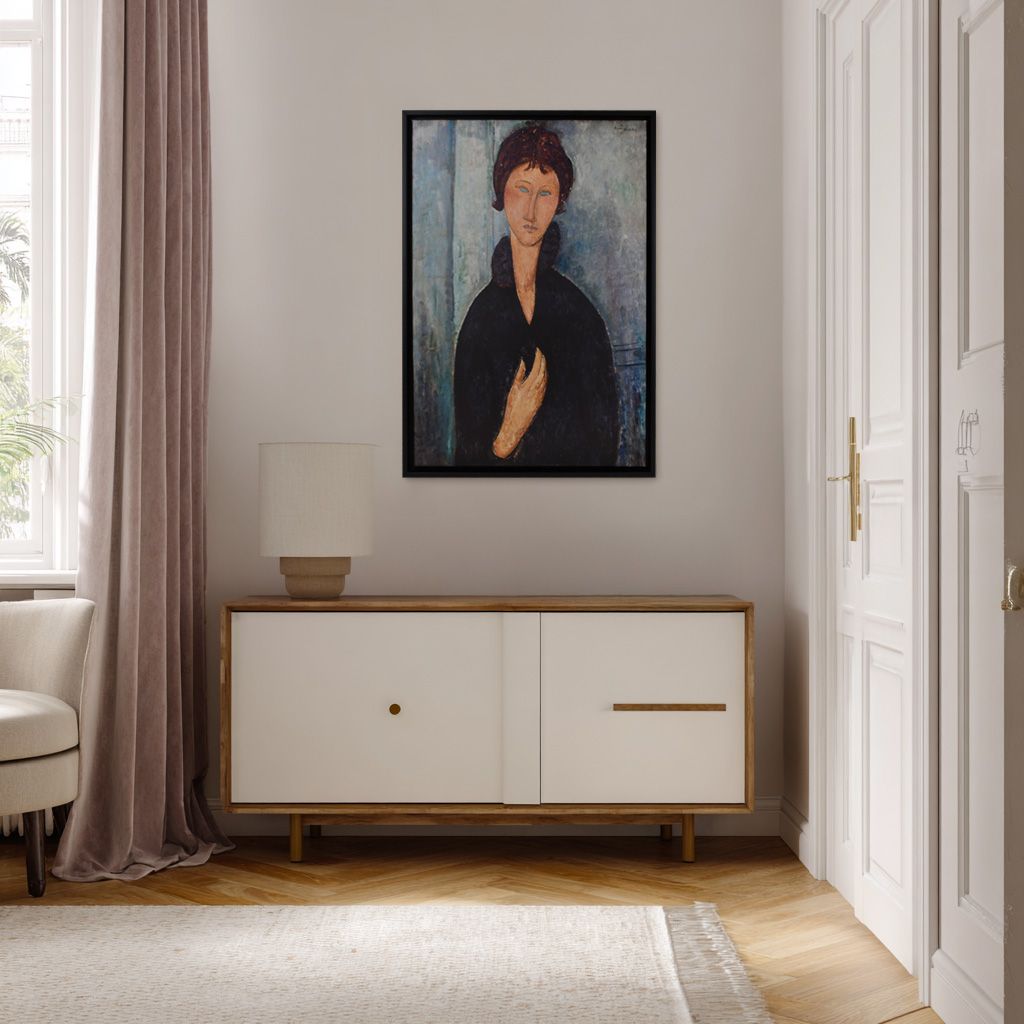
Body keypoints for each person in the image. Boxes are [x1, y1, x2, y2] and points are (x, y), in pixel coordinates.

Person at [453, 123, 620, 467]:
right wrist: (508, 434)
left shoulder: (581, 316)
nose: (530, 211)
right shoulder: (480, 320)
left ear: (559, 200)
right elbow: (465, 462)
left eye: (544, 193)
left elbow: (605, 445)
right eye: (522, 189)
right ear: (502, 192)